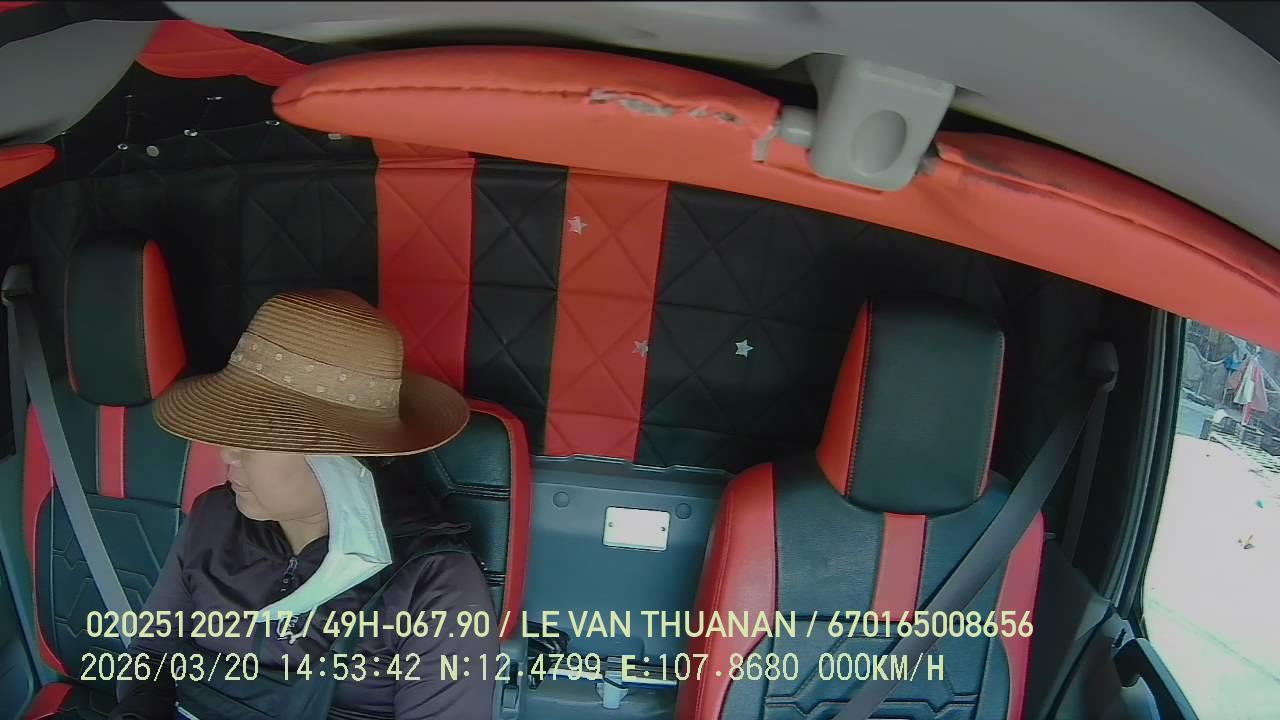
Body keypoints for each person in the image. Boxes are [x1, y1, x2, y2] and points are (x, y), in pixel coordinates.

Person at [109, 289, 497, 719]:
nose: (227, 453)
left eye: (254, 433)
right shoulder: (213, 518)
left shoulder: (433, 583)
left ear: (338, 456)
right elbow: (151, 653)